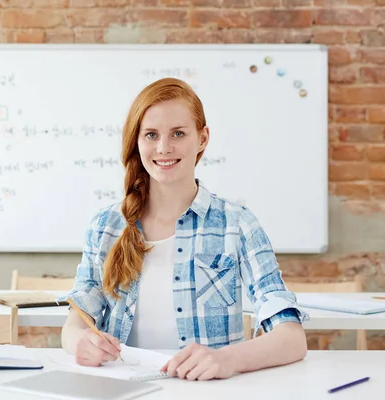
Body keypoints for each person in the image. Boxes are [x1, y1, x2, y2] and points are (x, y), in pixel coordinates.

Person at [60, 77, 309, 381]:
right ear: (137, 142)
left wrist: (227, 359)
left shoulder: (237, 223)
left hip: (206, 392)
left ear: (203, 138)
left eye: (178, 133)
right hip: (122, 389)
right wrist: (80, 343)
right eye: (151, 135)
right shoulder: (107, 226)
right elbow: (75, 324)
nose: (164, 148)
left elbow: (292, 338)